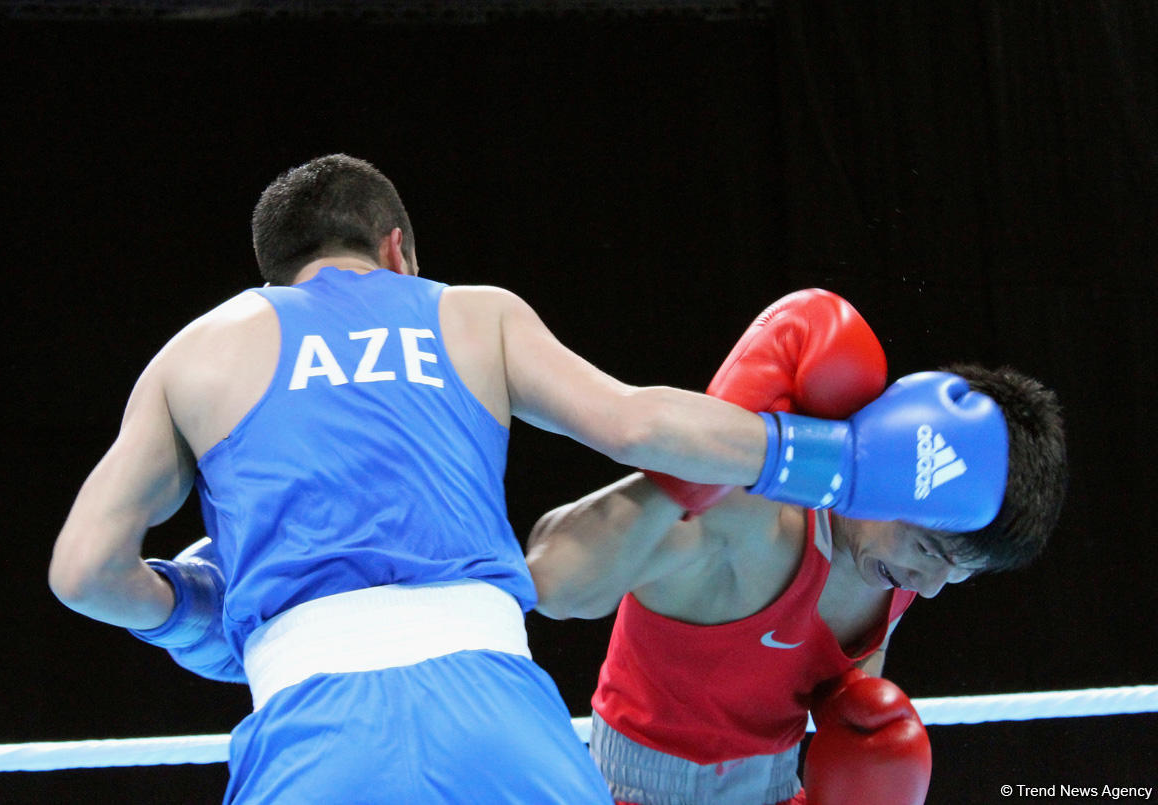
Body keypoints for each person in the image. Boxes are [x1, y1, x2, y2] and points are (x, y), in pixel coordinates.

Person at [47, 154, 884, 803]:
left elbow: (84, 573)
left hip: (312, 722)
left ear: (274, 276)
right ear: (396, 248)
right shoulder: (471, 311)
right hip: (501, 715)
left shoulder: (203, 350)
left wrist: (199, 616)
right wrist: (848, 463)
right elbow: (643, 425)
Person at [524, 289, 1068, 805]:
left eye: (959, 573)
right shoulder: (750, 521)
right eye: (930, 550)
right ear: (895, 473)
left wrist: (849, 712)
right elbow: (552, 581)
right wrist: (689, 479)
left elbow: (825, 670)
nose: (927, 588)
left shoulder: (893, 566)